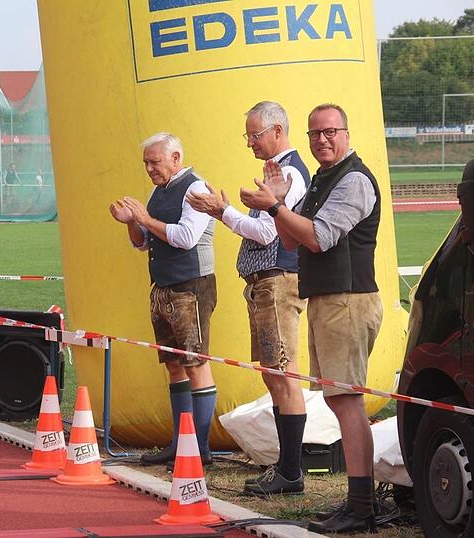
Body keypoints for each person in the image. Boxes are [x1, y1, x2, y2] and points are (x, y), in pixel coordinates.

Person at [240, 104, 382, 533]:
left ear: (346, 133)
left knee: (347, 402)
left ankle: (361, 504)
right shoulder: (322, 178)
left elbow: (318, 238)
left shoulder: (353, 179)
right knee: (340, 401)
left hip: (348, 300)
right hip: (326, 299)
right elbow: (289, 237)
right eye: (315, 133)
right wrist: (277, 206)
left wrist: (275, 207)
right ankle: (356, 501)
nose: (321, 139)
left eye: (330, 132)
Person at [187, 101, 309, 497]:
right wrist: (230, 212)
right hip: (263, 282)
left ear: (277, 131)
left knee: (282, 373)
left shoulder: (289, 173)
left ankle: (291, 471)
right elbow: (262, 227)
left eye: (254, 135)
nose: (251, 144)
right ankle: (286, 467)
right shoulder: (279, 172)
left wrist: (223, 212)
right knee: (273, 373)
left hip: (277, 280)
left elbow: (267, 234)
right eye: (248, 136)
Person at [109, 132, 218, 467]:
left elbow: (186, 238)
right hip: (163, 286)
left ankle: (199, 449)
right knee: (174, 366)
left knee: (196, 364)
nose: (149, 168)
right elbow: (143, 242)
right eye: (146, 163)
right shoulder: (160, 191)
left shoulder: (196, 189)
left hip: (191, 286)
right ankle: (181, 442)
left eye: (154, 162)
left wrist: (143, 218)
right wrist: (131, 223)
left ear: (176, 158)